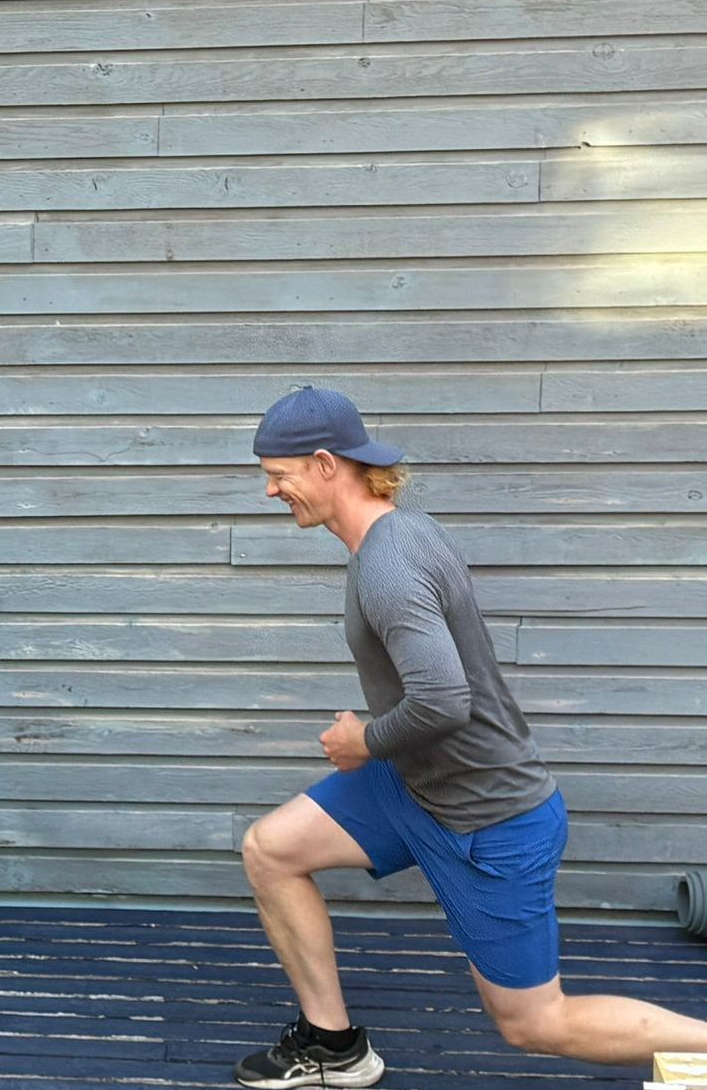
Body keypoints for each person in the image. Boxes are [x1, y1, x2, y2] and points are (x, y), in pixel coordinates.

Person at [234, 385, 707, 1088]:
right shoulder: (400, 533)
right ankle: (333, 1045)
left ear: (328, 464)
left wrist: (364, 740)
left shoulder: (390, 563)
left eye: (280, 476)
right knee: (271, 849)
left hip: (490, 819)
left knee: (534, 1023)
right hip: (416, 787)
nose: (272, 492)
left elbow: (444, 699)